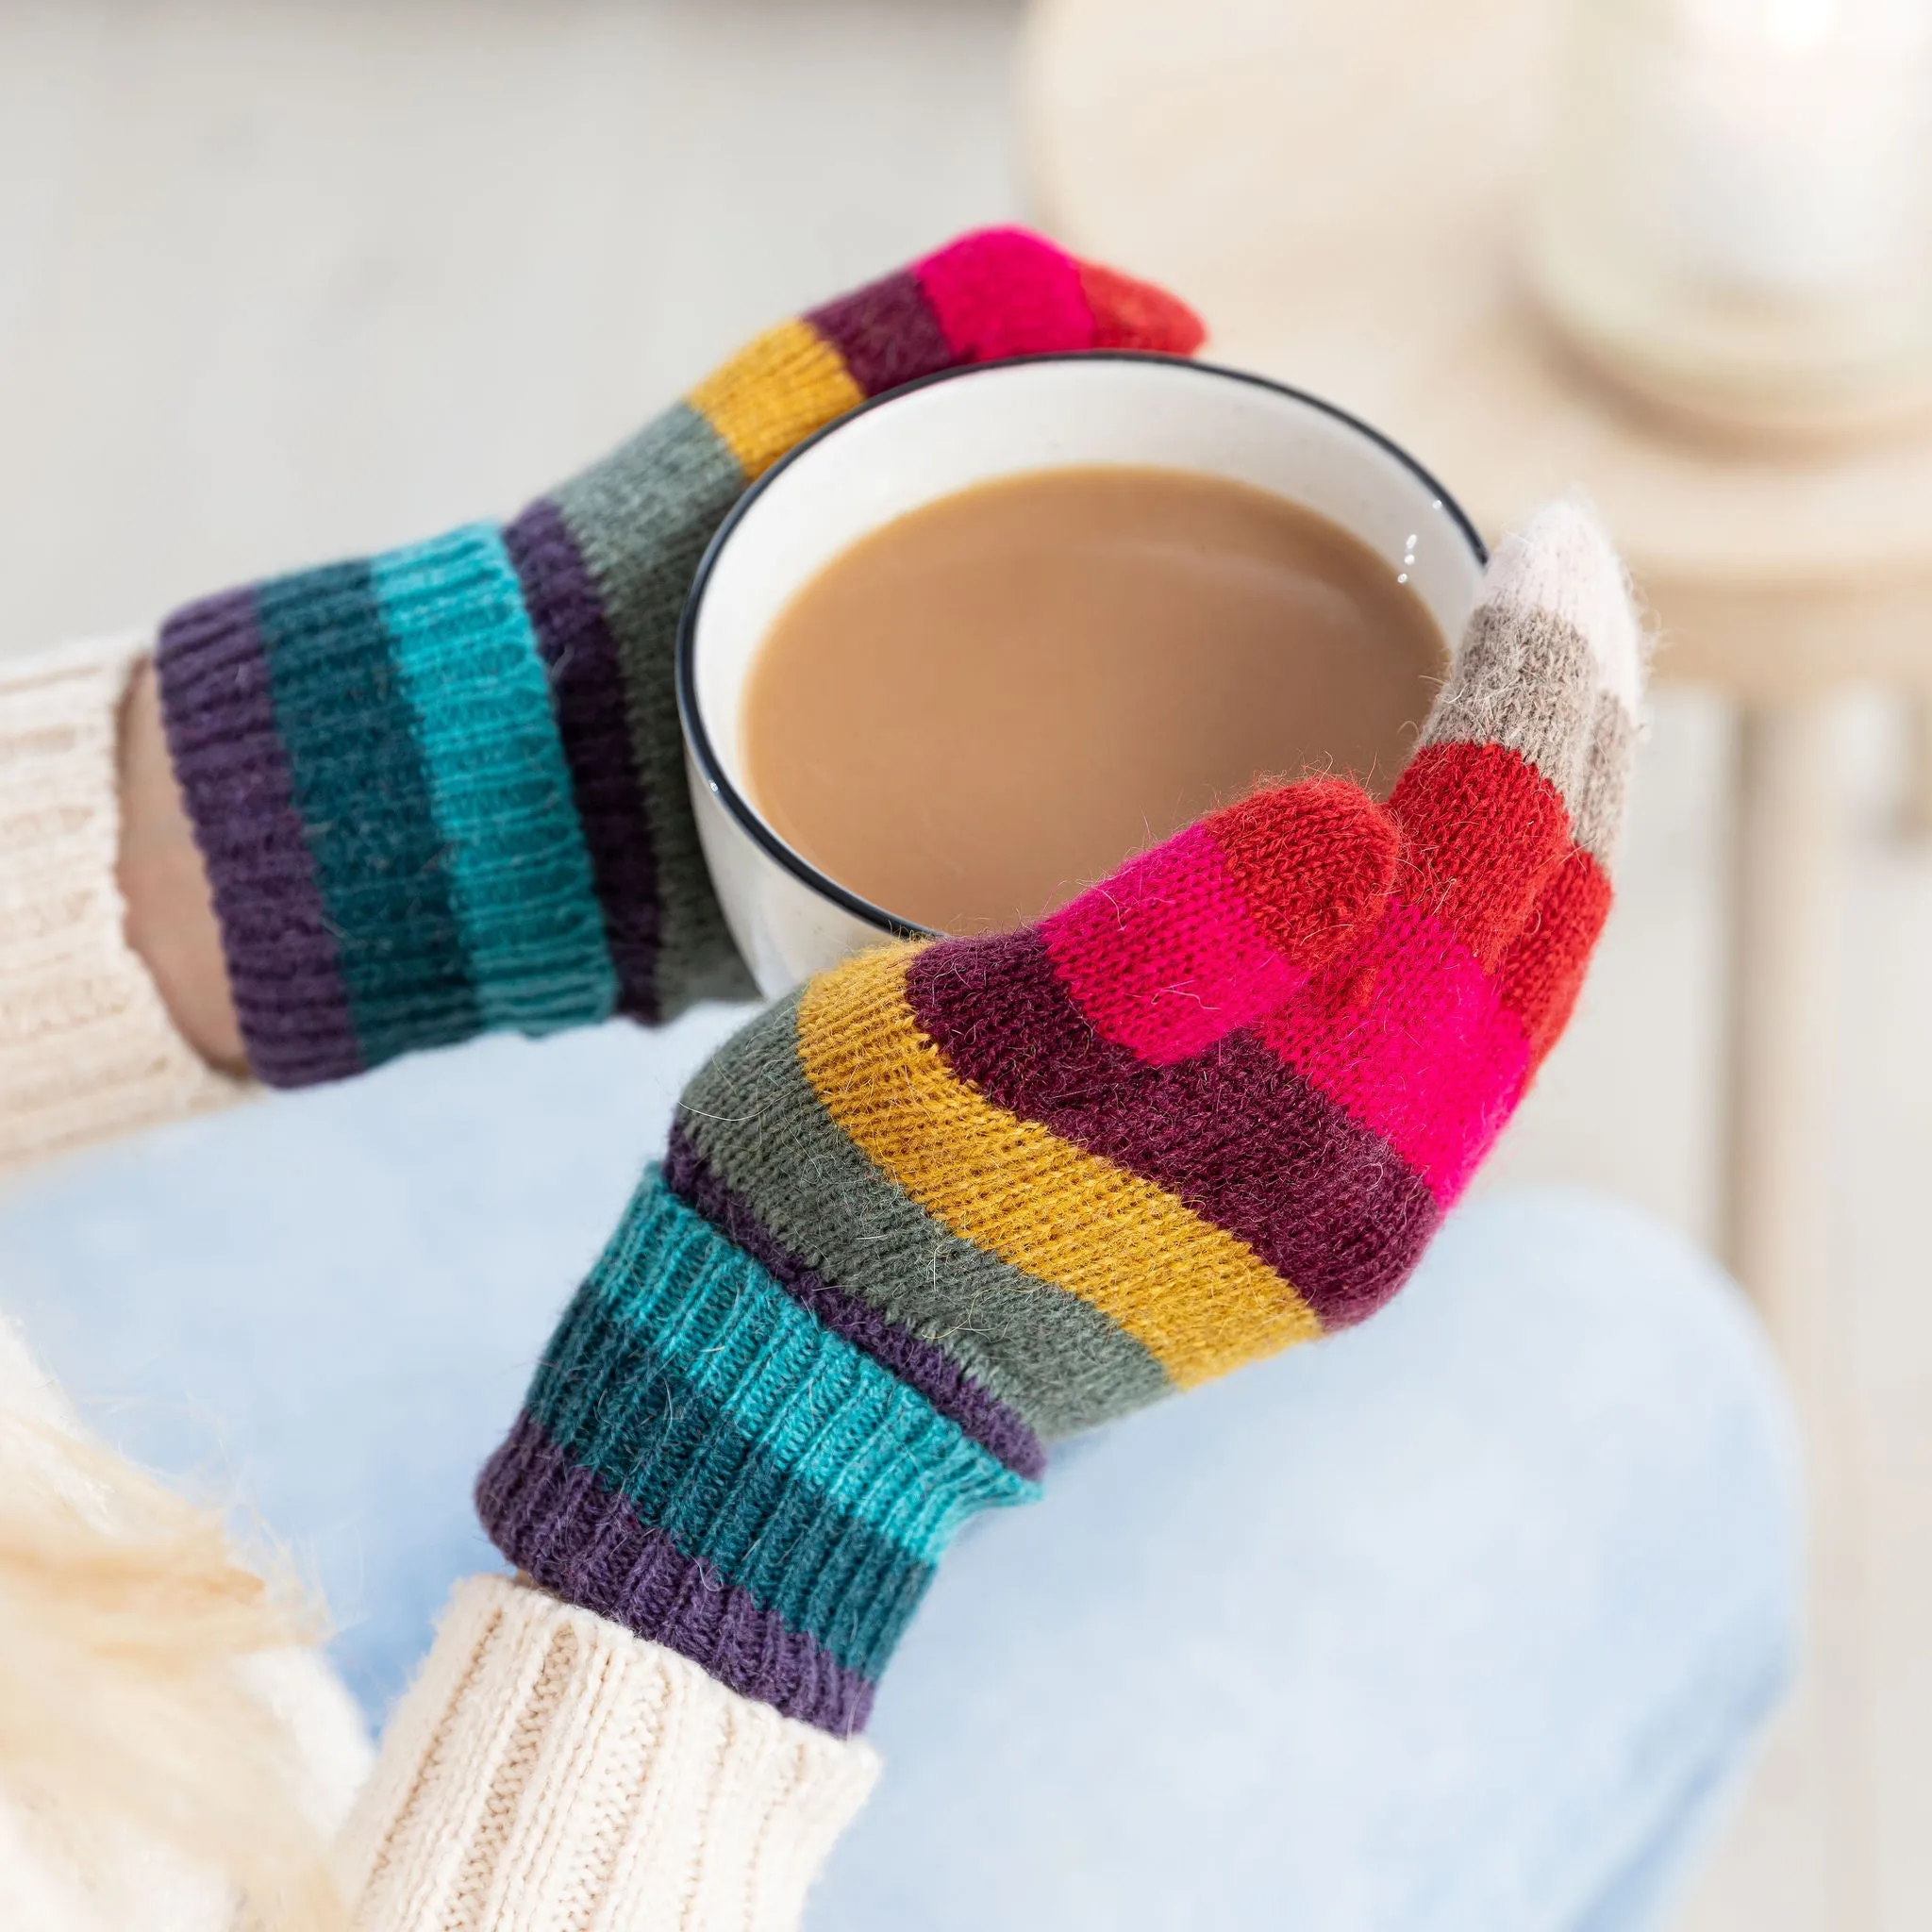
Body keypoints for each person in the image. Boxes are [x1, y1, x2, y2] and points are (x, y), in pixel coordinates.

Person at [0, 229, 1800, 1931]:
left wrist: (311, 839)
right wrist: (778, 1437)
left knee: (774, 1077)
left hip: (75, 1599)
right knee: (1633, 1370)